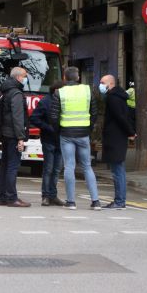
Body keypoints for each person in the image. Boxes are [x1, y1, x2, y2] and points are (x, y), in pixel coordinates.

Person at [50, 66, 101, 211]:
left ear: (65, 78)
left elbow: (54, 116)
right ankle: (96, 201)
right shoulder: (87, 90)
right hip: (83, 133)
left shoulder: (60, 92)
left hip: (66, 134)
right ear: (78, 77)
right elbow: (94, 113)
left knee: (69, 166)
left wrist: (59, 130)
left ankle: (71, 202)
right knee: (87, 166)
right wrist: (88, 128)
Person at [99, 75, 136, 209]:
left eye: (103, 83)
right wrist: (130, 131)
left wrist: (131, 132)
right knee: (118, 170)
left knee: (117, 171)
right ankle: (120, 200)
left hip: (115, 138)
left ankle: (120, 201)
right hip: (118, 137)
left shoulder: (113, 98)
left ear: (111, 83)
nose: (100, 85)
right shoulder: (119, 96)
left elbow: (120, 117)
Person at [0, 67, 31, 207]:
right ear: (18, 77)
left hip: (5, 133)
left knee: (4, 165)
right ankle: (11, 197)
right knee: (12, 166)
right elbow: (17, 117)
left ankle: (2, 197)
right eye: (24, 76)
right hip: (13, 134)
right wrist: (20, 138)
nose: (25, 79)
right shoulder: (16, 93)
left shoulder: (6, 90)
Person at [30, 81, 65, 207]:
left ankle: (53, 195)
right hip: (49, 140)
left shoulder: (64, 101)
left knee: (56, 170)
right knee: (48, 169)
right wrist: (47, 127)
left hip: (60, 140)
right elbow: (34, 118)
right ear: (56, 90)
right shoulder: (45, 101)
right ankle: (46, 196)